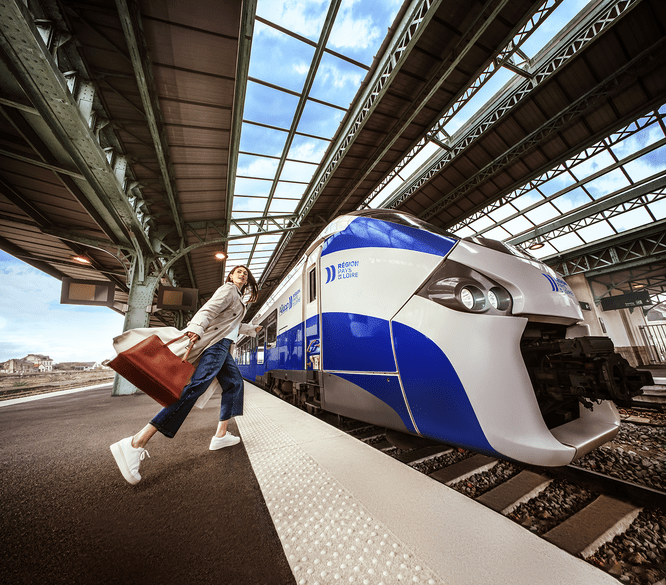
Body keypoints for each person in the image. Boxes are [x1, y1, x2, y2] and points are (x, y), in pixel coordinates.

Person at [110, 265, 261, 485]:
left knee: (234, 384)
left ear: (247, 281)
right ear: (230, 276)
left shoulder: (238, 299)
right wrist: (197, 327)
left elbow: (230, 324)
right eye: (238, 271)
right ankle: (136, 442)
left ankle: (221, 435)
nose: (242, 274)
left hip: (223, 343)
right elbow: (209, 309)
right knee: (196, 387)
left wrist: (250, 329)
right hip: (216, 344)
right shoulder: (228, 289)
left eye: (245, 273)